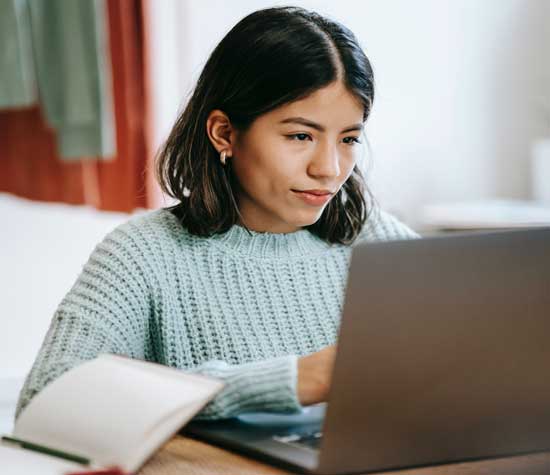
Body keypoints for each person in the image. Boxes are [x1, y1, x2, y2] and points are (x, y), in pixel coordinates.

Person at [15, 5, 420, 422]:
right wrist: (287, 380)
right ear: (224, 132)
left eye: (349, 138)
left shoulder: (379, 242)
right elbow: (43, 404)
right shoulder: (143, 255)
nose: (329, 168)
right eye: (300, 135)